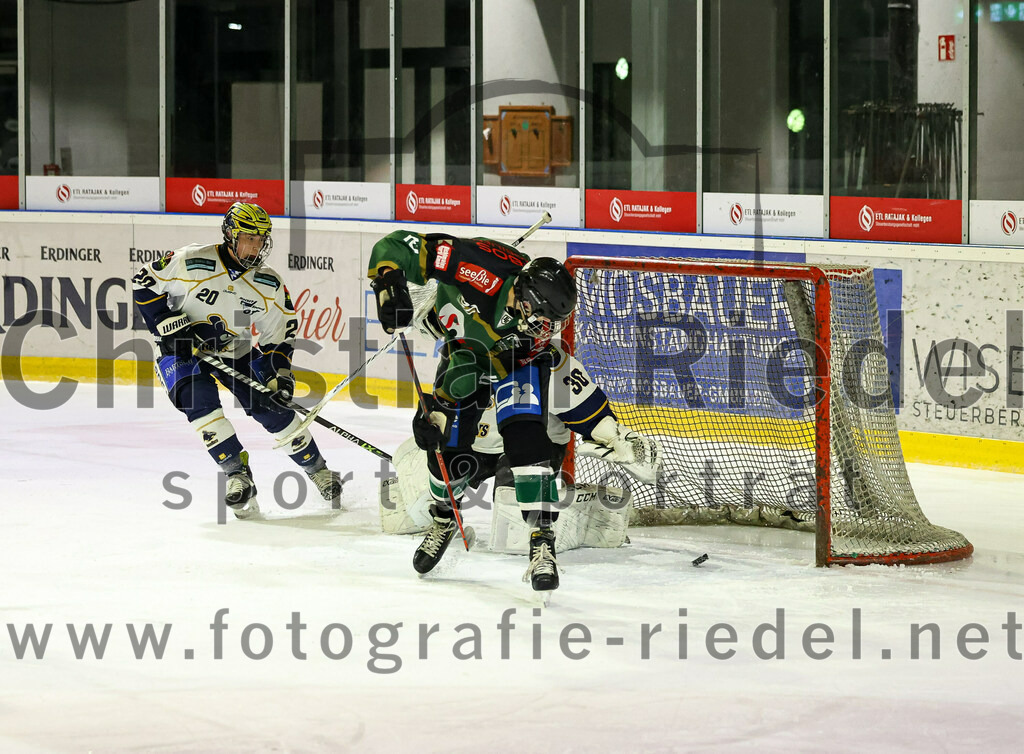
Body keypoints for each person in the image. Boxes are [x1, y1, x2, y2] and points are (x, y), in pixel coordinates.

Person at [369, 230, 580, 591]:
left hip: (510, 362)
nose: (547, 329)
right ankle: (444, 518)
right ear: (526, 298)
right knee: (443, 445)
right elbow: (396, 246)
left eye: (552, 322)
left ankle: (543, 540)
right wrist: (388, 282)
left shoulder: (532, 335)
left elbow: (505, 362)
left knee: (526, 438)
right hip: (463, 350)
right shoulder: (478, 268)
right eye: (543, 317)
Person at [132, 202, 342, 519]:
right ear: (230, 235)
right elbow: (143, 282)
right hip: (183, 351)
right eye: (248, 238)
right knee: (199, 404)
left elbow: (280, 334)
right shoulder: (191, 260)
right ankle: (236, 474)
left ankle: (318, 470)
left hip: (236, 348)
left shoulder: (268, 284)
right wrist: (164, 324)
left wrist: (278, 374)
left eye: (260, 239)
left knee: (272, 408)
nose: (255, 246)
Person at [379, 340, 664, 555]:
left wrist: (620, 441)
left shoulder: (547, 362)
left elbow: (595, 417)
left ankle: (586, 512)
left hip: (532, 451)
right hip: (478, 447)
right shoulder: (461, 355)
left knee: (513, 526)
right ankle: (444, 520)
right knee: (411, 507)